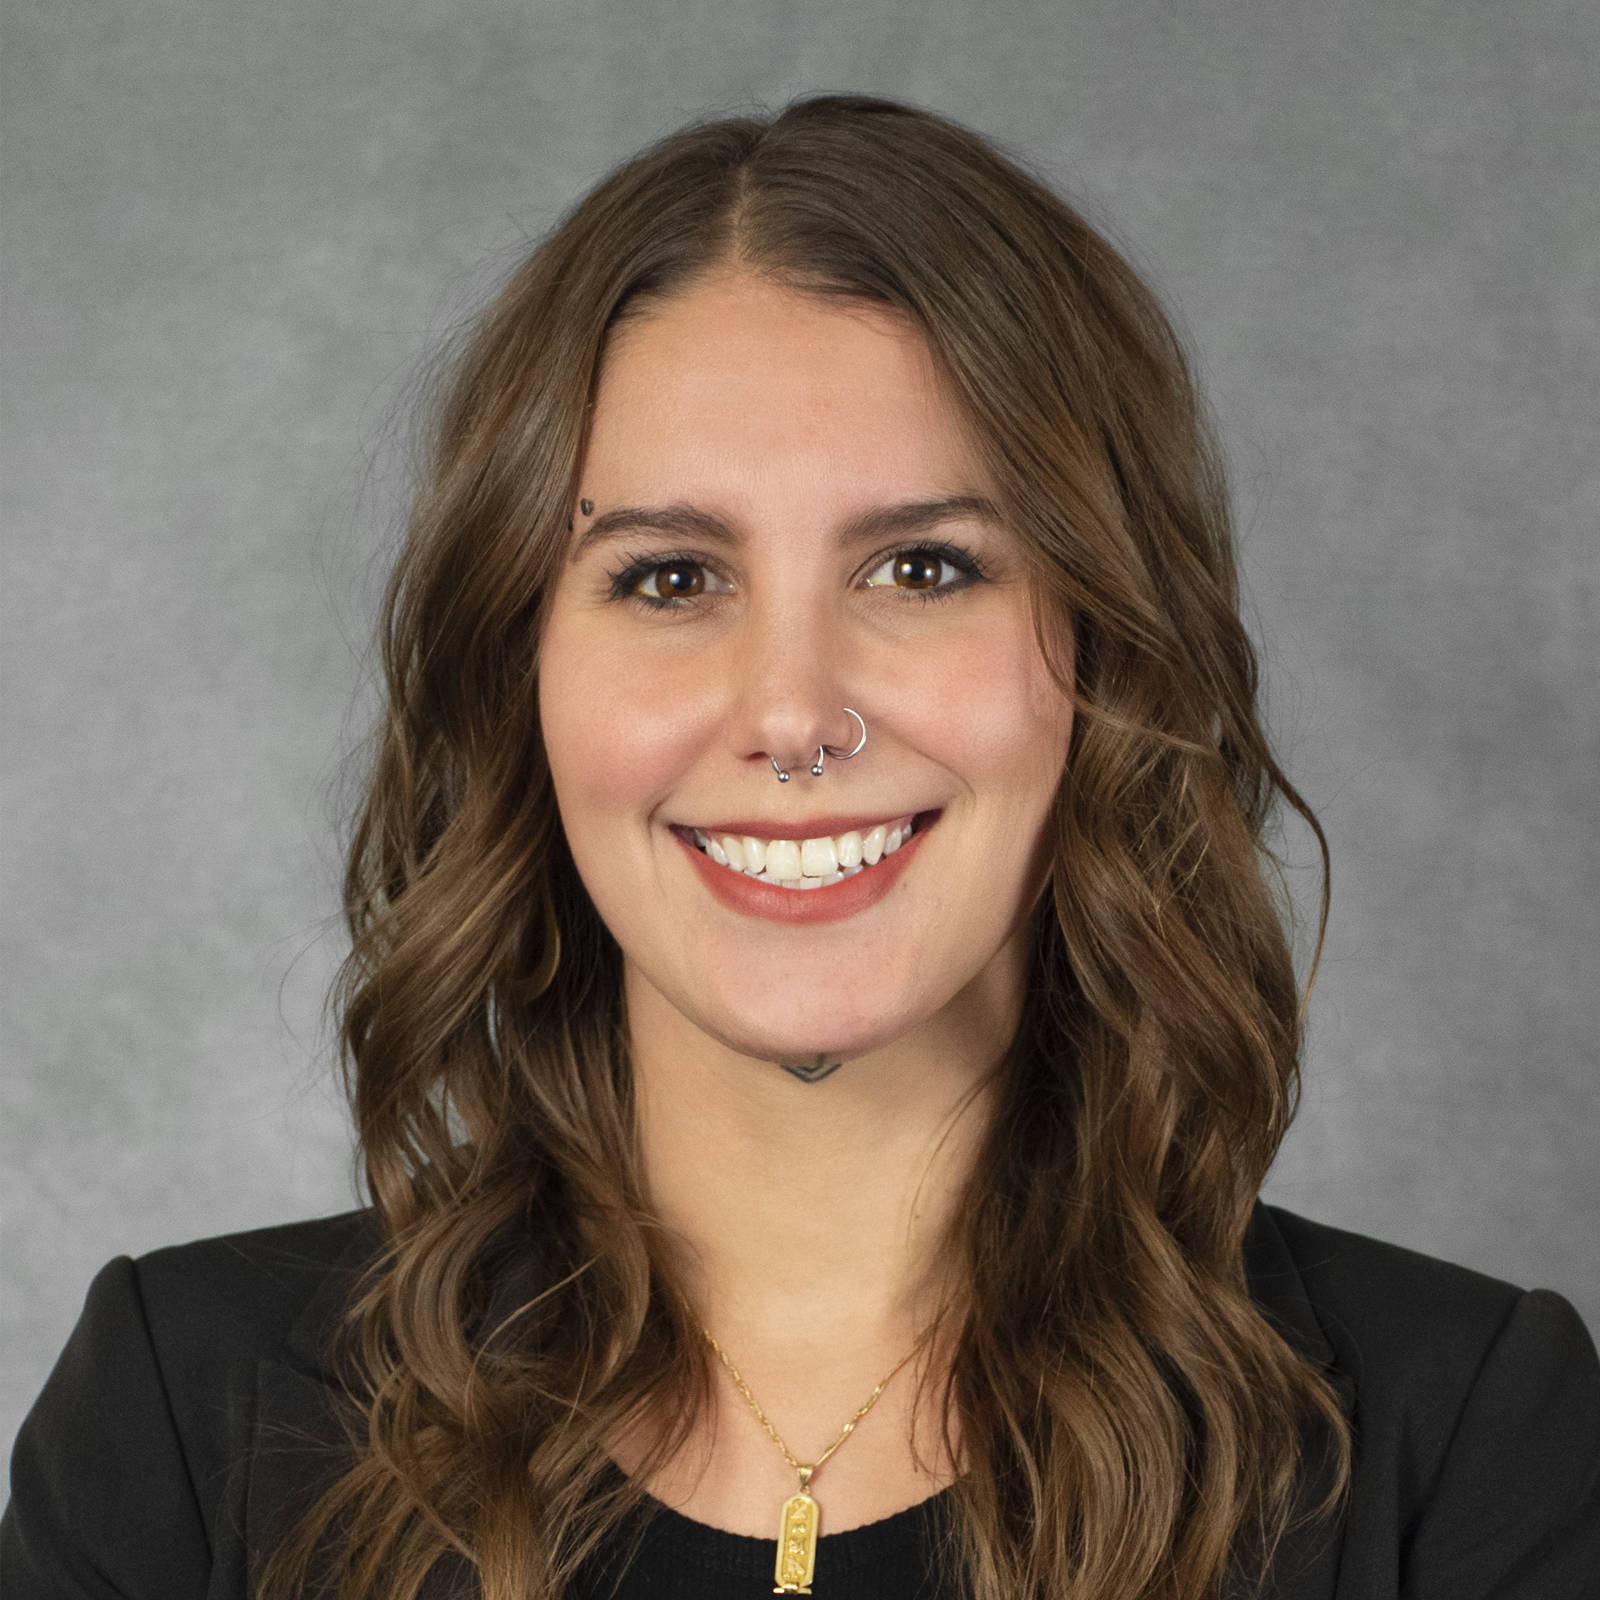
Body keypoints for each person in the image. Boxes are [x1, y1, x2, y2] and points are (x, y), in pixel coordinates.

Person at [4, 94, 1597, 1600]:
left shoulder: (1452, 1440)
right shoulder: (181, 1420)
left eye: (921, 566)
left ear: (1110, 654)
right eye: (670, 580)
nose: (791, 712)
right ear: (522, 680)